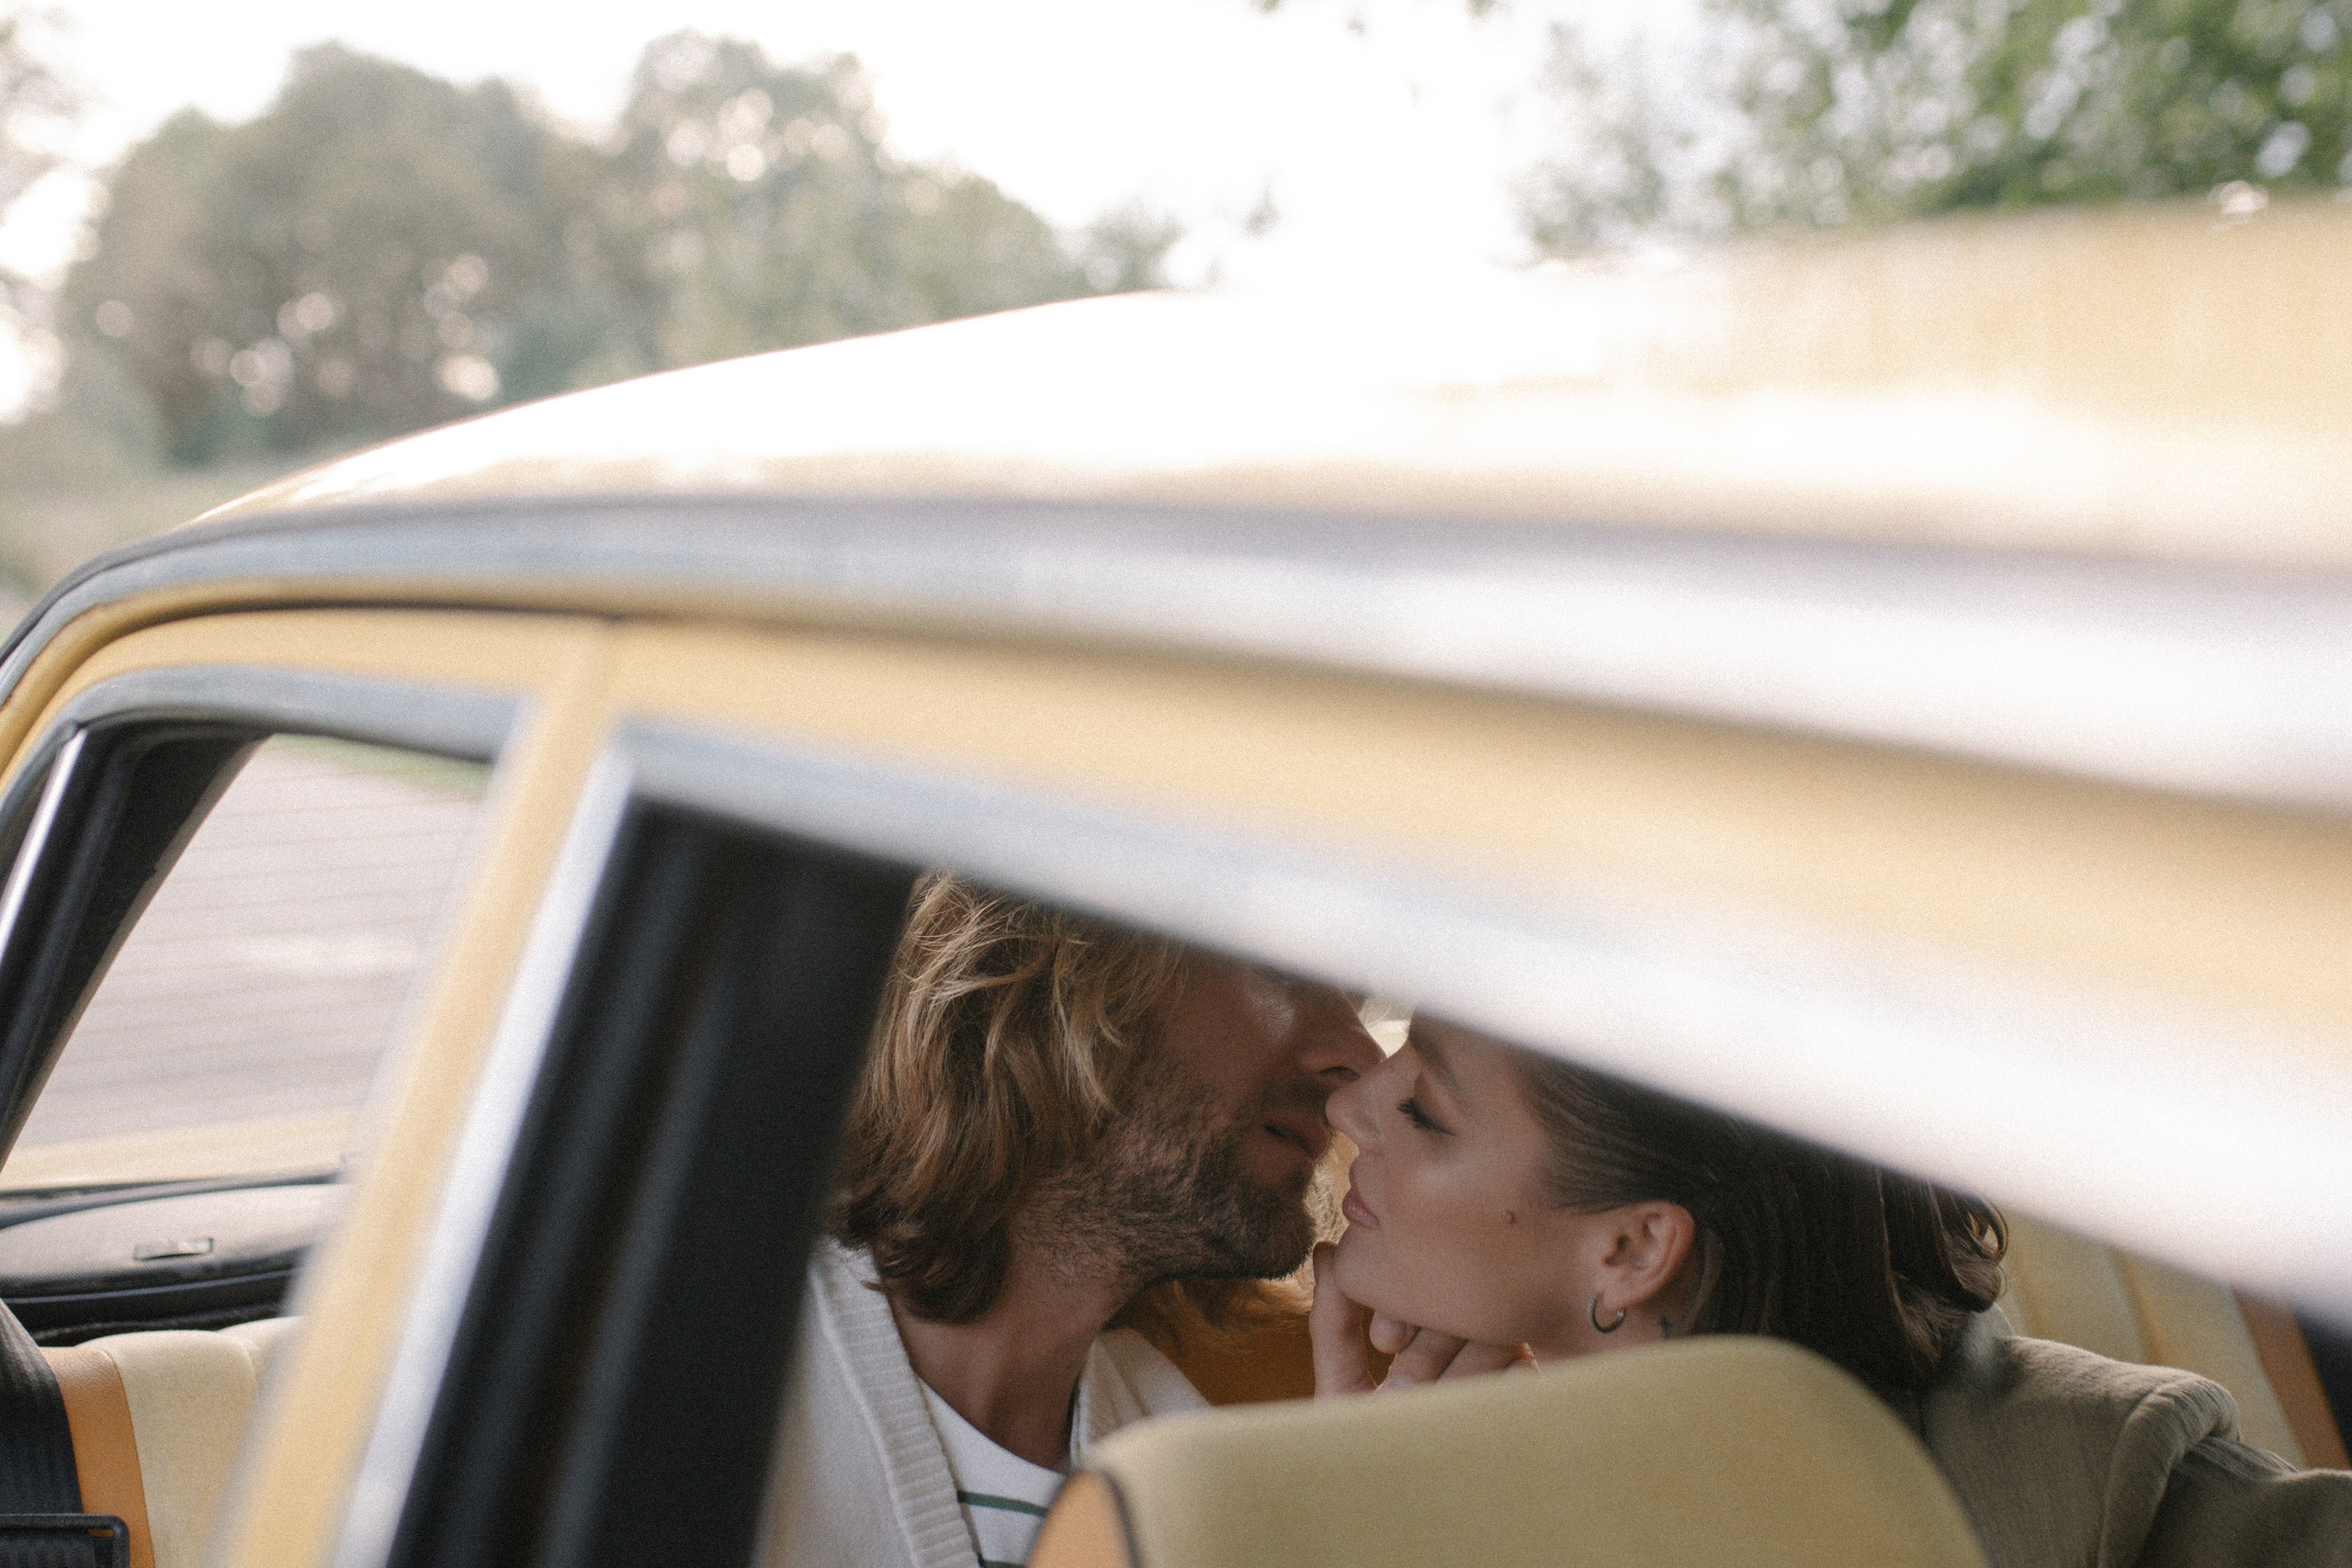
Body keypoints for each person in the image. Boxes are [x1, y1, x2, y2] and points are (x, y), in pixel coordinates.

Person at [1309, 1015, 2352, 1567]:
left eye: (1427, 1110)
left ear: (1631, 1248)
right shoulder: (1471, 1501)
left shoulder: (2104, 1490)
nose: (1353, 1103)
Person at [765, 874, 1380, 1568]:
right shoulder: (707, 1365)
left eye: (1360, 1001)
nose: (1365, 1059)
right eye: (1289, 965)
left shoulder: (1192, 1485)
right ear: (1065, 952)